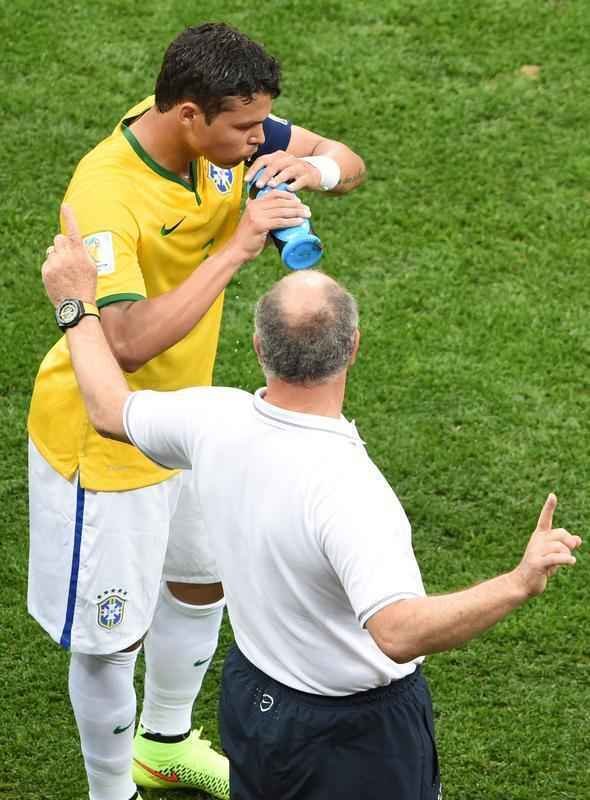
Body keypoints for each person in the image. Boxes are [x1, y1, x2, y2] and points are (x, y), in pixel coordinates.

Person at [40, 207, 581, 800]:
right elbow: (398, 632)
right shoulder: (350, 492)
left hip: (252, 701)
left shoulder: (209, 418)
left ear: (257, 346)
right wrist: (518, 583)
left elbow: (108, 406)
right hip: (353, 738)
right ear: (354, 347)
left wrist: (76, 304)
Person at [27, 22, 366, 800]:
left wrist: (306, 168)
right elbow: (122, 340)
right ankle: (110, 792)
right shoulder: (107, 193)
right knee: (114, 642)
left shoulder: (228, 133)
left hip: (191, 424)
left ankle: (165, 741)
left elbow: (350, 165)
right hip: (104, 435)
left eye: (262, 126)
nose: (257, 138)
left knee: (200, 581)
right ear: (188, 114)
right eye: (246, 128)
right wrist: (239, 245)